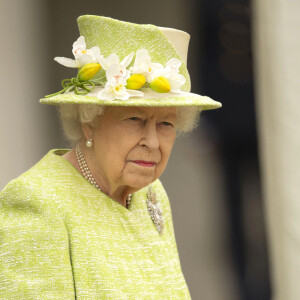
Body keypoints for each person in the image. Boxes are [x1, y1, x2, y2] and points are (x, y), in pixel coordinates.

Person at [0, 15, 221, 299]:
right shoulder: (37, 202)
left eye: (166, 123)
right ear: (88, 121)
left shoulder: (151, 195)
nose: (152, 142)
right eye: (134, 118)